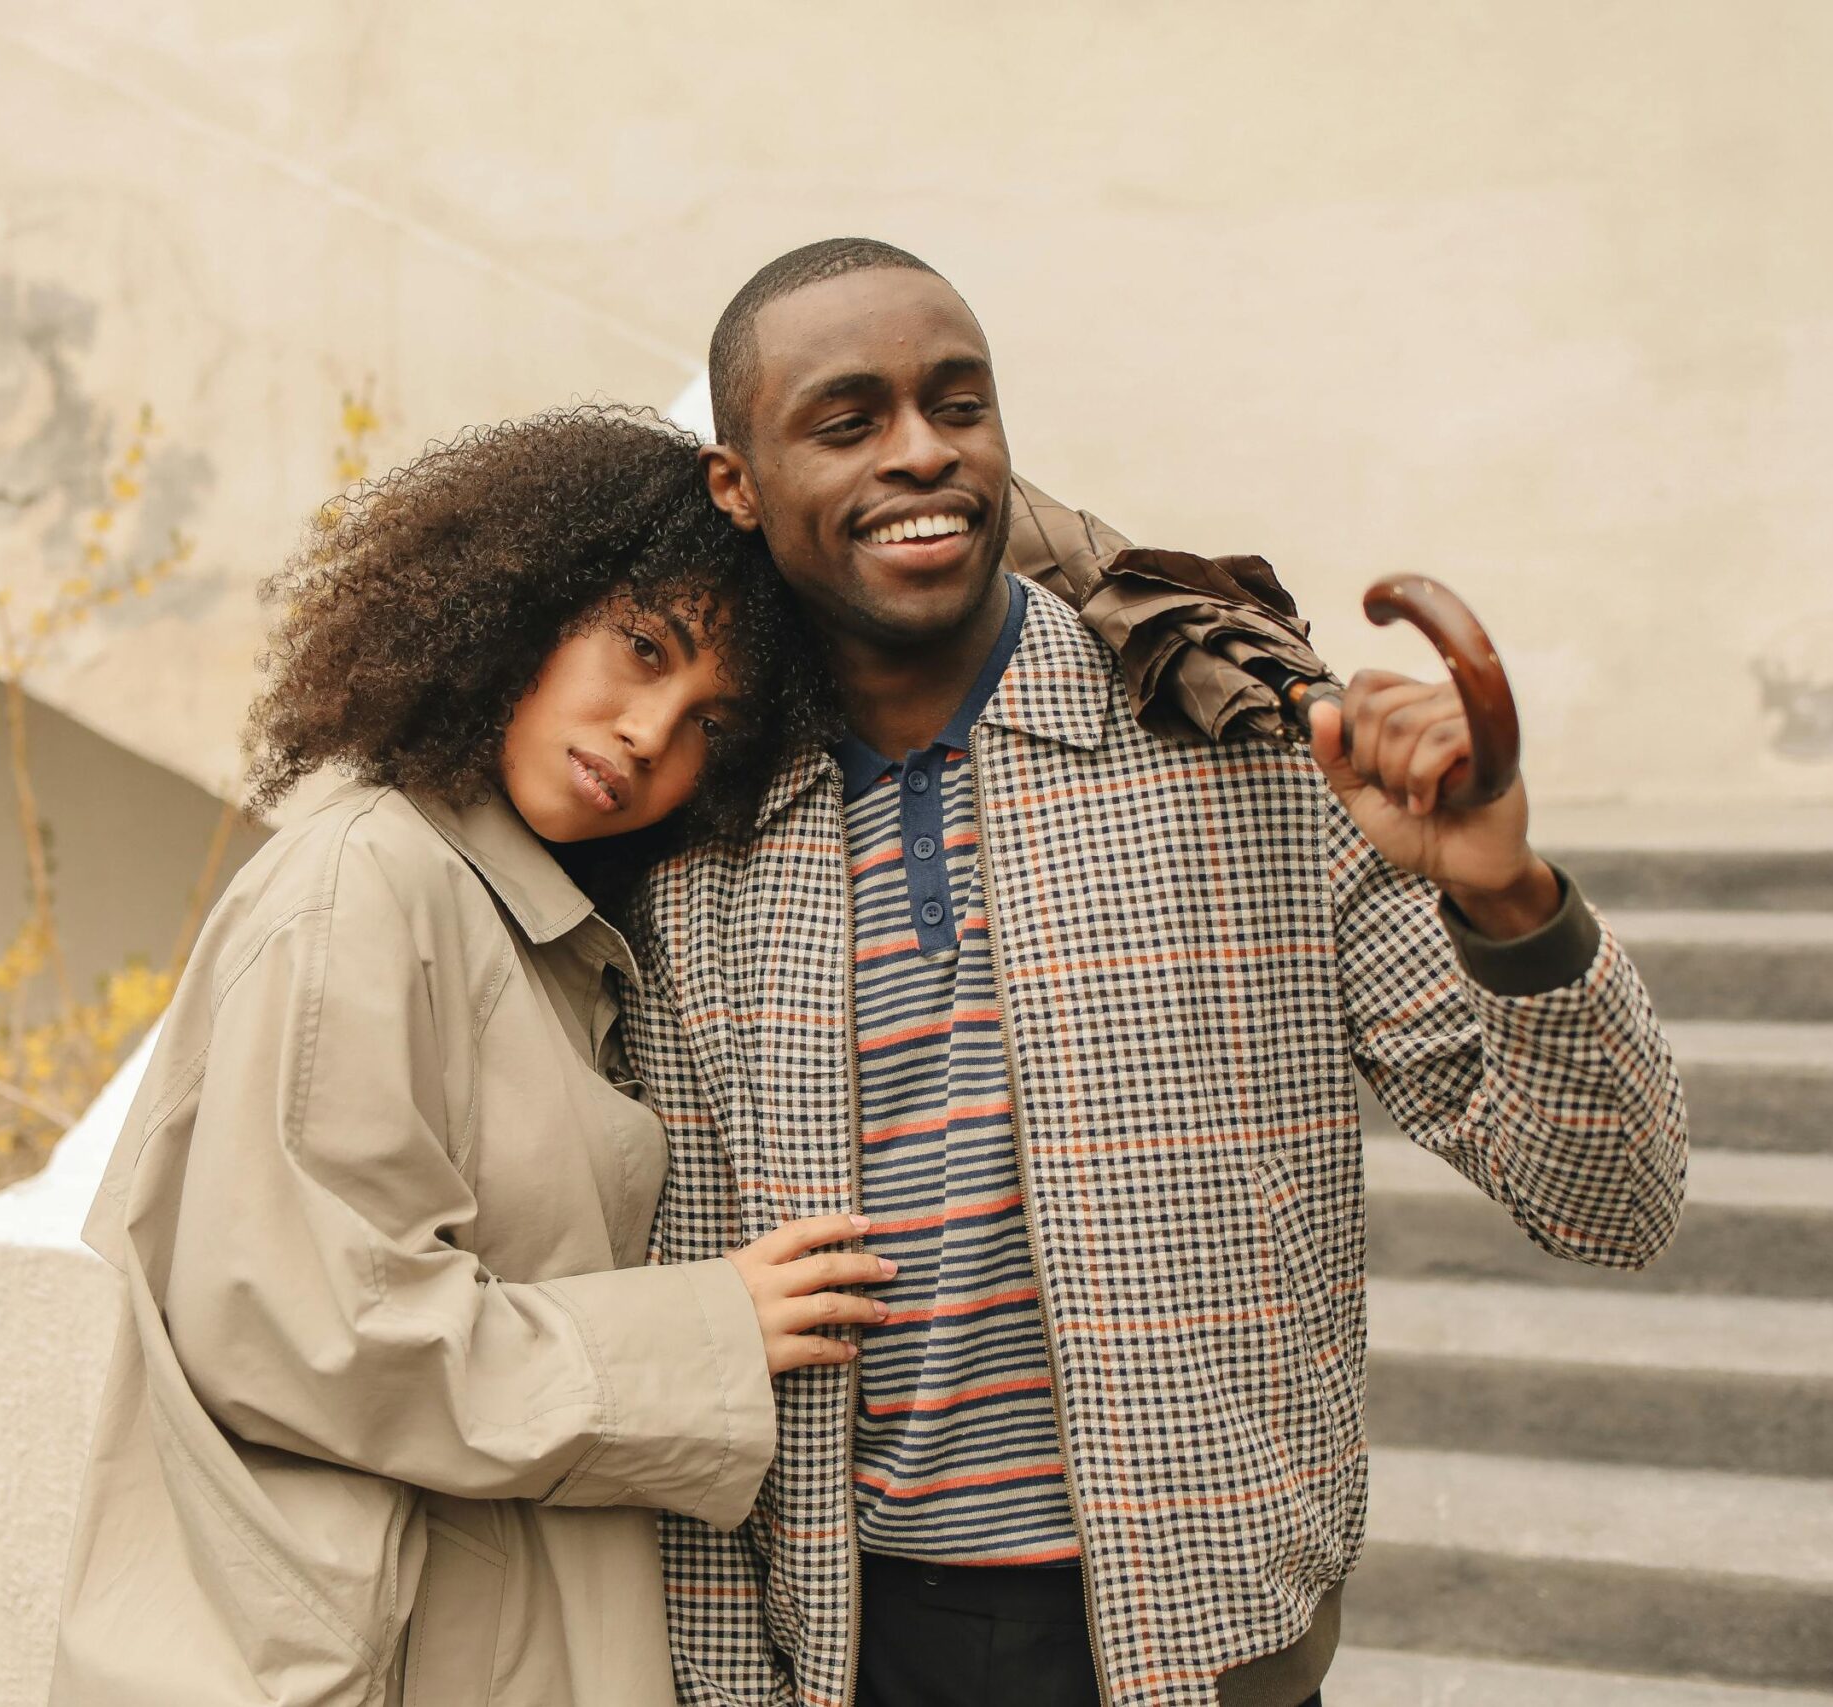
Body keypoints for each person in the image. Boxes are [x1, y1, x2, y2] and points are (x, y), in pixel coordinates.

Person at [627, 241, 1689, 1707]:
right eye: (848, 419)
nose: (925, 452)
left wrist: (1505, 895)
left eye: (960, 402)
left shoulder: (1245, 752)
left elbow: (1613, 1200)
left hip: (1212, 1649)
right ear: (737, 485)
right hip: (856, 1651)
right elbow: (679, 1302)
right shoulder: (698, 844)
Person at [49, 407, 898, 1707]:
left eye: (709, 731)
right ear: (523, 603)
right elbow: (313, 1332)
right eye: (641, 649)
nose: (646, 735)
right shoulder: (367, 888)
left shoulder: (530, 929)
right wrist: (710, 1330)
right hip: (376, 1655)